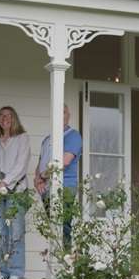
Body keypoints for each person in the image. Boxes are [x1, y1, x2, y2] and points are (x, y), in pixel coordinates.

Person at [0, 106, 31, 279]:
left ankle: (16, 271)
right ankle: (4, 271)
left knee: (15, 231)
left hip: (16, 191)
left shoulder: (22, 138)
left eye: (8, 116)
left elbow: (21, 165)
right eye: (2, 116)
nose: (5, 119)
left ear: (14, 118)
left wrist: (4, 182)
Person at [34, 105, 83, 246]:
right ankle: (56, 261)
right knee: (53, 229)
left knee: (63, 228)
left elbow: (64, 161)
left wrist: (43, 176)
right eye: (58, 111)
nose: (61, 115)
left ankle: (66, 264)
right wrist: (37, 180)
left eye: (64, 111)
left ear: (69, 115)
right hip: (46, 189)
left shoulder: (73, 136)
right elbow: (40, 163)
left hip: (65, 188)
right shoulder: (47, 139)